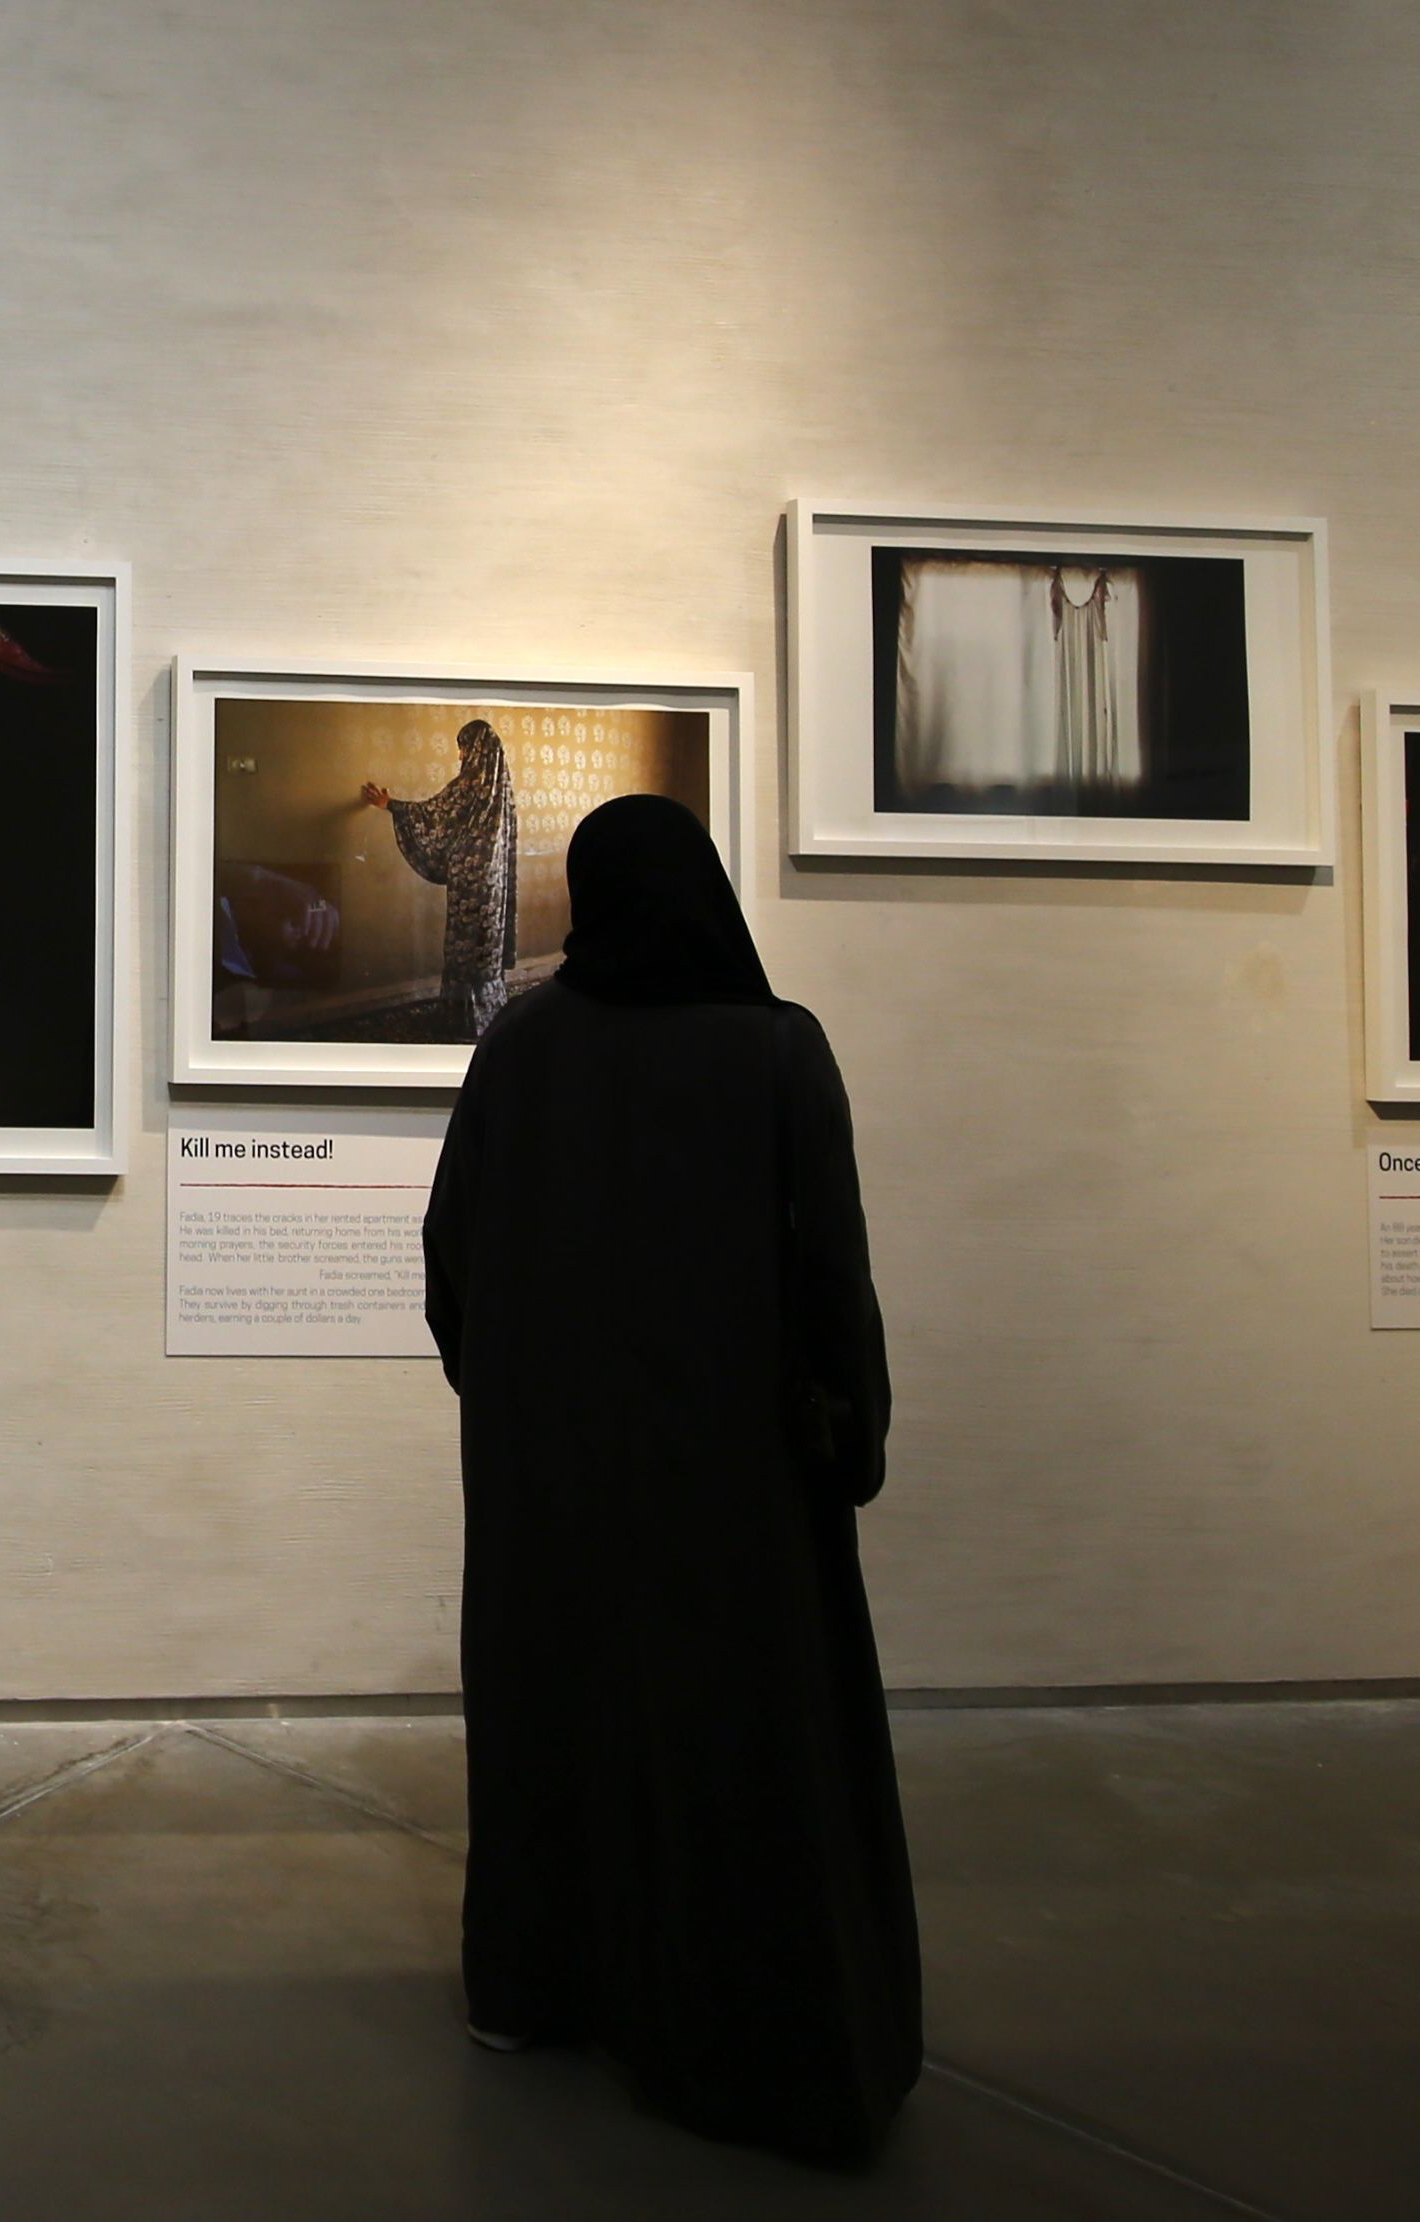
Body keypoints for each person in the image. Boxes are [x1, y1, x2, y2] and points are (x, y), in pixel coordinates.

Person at [420, 793, 916, 2167]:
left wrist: (516, 1407)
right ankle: (728, 2019)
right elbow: (833, 1280)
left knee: (551, 1728)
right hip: (731, 1490)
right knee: (730, 1747)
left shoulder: (517, 1048)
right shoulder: (771, 1051)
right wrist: (849, 1442)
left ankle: (529, 1987)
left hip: (546, 1489)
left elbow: (450, 1255)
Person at [362, 717, 518, 1039]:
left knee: (465, 943)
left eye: (462, 748)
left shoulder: (469, 784)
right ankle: (489, 1012)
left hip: (470, 880)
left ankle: (462, 1020)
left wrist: (390, 805)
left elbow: (435, 813)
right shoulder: (504, 791)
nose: (460, 756)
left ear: (475, 749)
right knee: (485, 943)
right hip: (495, 882)